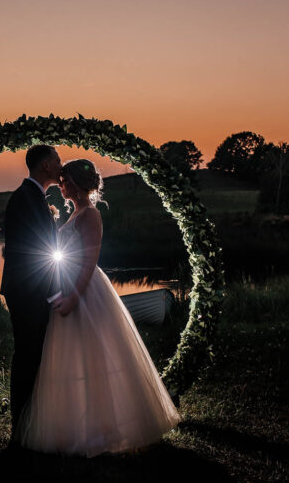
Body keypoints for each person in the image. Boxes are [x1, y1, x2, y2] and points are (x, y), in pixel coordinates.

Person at [16, 159, 180, 457]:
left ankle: (102, 429)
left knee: (95, 358)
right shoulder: (76, 212)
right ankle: (77, 426)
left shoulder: (90, 215)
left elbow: (90, 262)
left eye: (64, 180)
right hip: (68, 286)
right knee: (73, 359)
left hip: (85, 291)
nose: (60, 184)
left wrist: (73, 299)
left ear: (76, 185)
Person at [0, 144, 63, 444]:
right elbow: (34, 251)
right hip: (28, 291)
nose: (61, 164)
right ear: (46, 166)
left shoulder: (33, 196)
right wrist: (53, 292)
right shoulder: (26, 198)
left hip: (30, 289)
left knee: (33, 355)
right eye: (57, 159)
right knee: (27, 355)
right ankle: (21, 427)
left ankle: (28, 423)